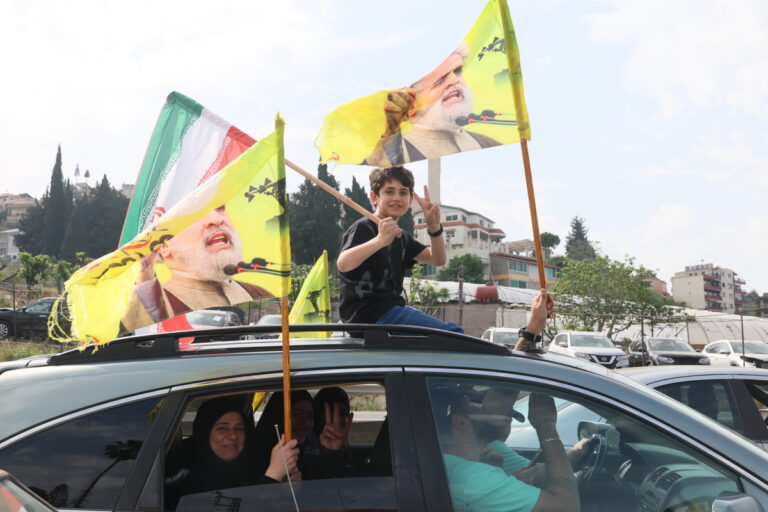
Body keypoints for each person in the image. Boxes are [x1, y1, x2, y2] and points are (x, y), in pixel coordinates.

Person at [337, 166, 463, 332]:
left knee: (450, 335)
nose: (397, 198)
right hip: (369, 316)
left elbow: (437, 259)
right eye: (389, 191)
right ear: (374, 197)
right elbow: (343, 263)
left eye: (403, 193)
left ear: (410, 200)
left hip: (392, 311)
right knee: (453, 334)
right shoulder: (364, 227)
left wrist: (434, 226)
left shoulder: (401, 236)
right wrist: (380, 240)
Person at [121, 205, 272, 331]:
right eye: (194, 213)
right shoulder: (144, 307)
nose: (217, 219)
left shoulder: (258, 293)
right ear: (165, 245)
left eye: (220, 208)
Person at [364, 42, 500, 167]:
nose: (454, 81)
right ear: (410, 103)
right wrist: (391, 130)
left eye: (458, 71)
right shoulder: (394, 154)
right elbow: (380, 174)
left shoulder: (487, 143)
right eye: (439, 81)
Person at [175, 396, 300, 498]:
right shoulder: (183, 476)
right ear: (204, 433)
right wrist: (272, 476)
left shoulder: (252, 466)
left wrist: (283, 490)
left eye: (239, 428)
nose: (233, 436)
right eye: (223, 428)